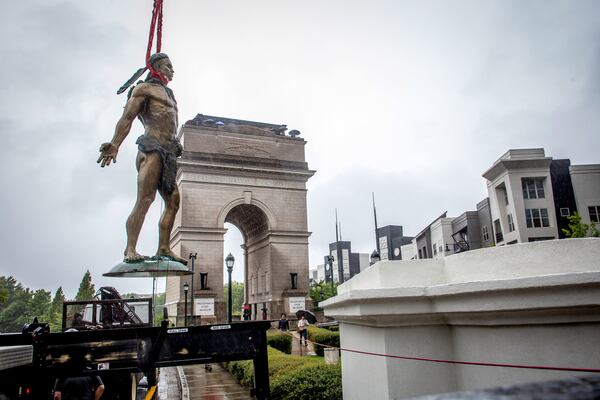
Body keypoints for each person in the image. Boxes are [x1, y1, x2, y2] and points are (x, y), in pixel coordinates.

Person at [97, 53, 187, 265]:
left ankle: (164, 247)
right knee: (145, 200)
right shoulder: (143, 89)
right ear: (156, 66)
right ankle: (130, 249)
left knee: (173, 201)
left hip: (168, 150)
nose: (172, 70)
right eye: (168, 66)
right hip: (151, 147)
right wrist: (115, 143)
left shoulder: (170, 94)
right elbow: (127, 118)